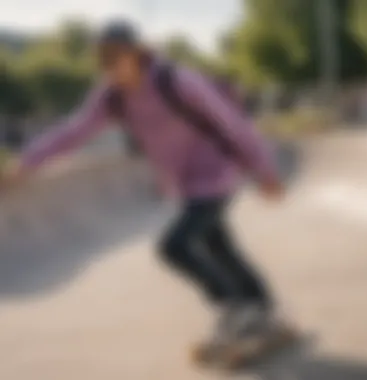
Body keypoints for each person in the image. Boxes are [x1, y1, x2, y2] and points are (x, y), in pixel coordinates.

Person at [0, 21, 294, 350]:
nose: (110, 67)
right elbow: (73, 131)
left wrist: (264, 170)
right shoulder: (111, 97)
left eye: (117, 57)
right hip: (186, 183)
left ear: (137, 53)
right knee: (219, 246)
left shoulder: (177, 80)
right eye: (103, 60)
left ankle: (234, 307)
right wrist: (25, 163)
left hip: (218, 173)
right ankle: (263, 310)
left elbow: (230, 121)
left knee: (173, 247)